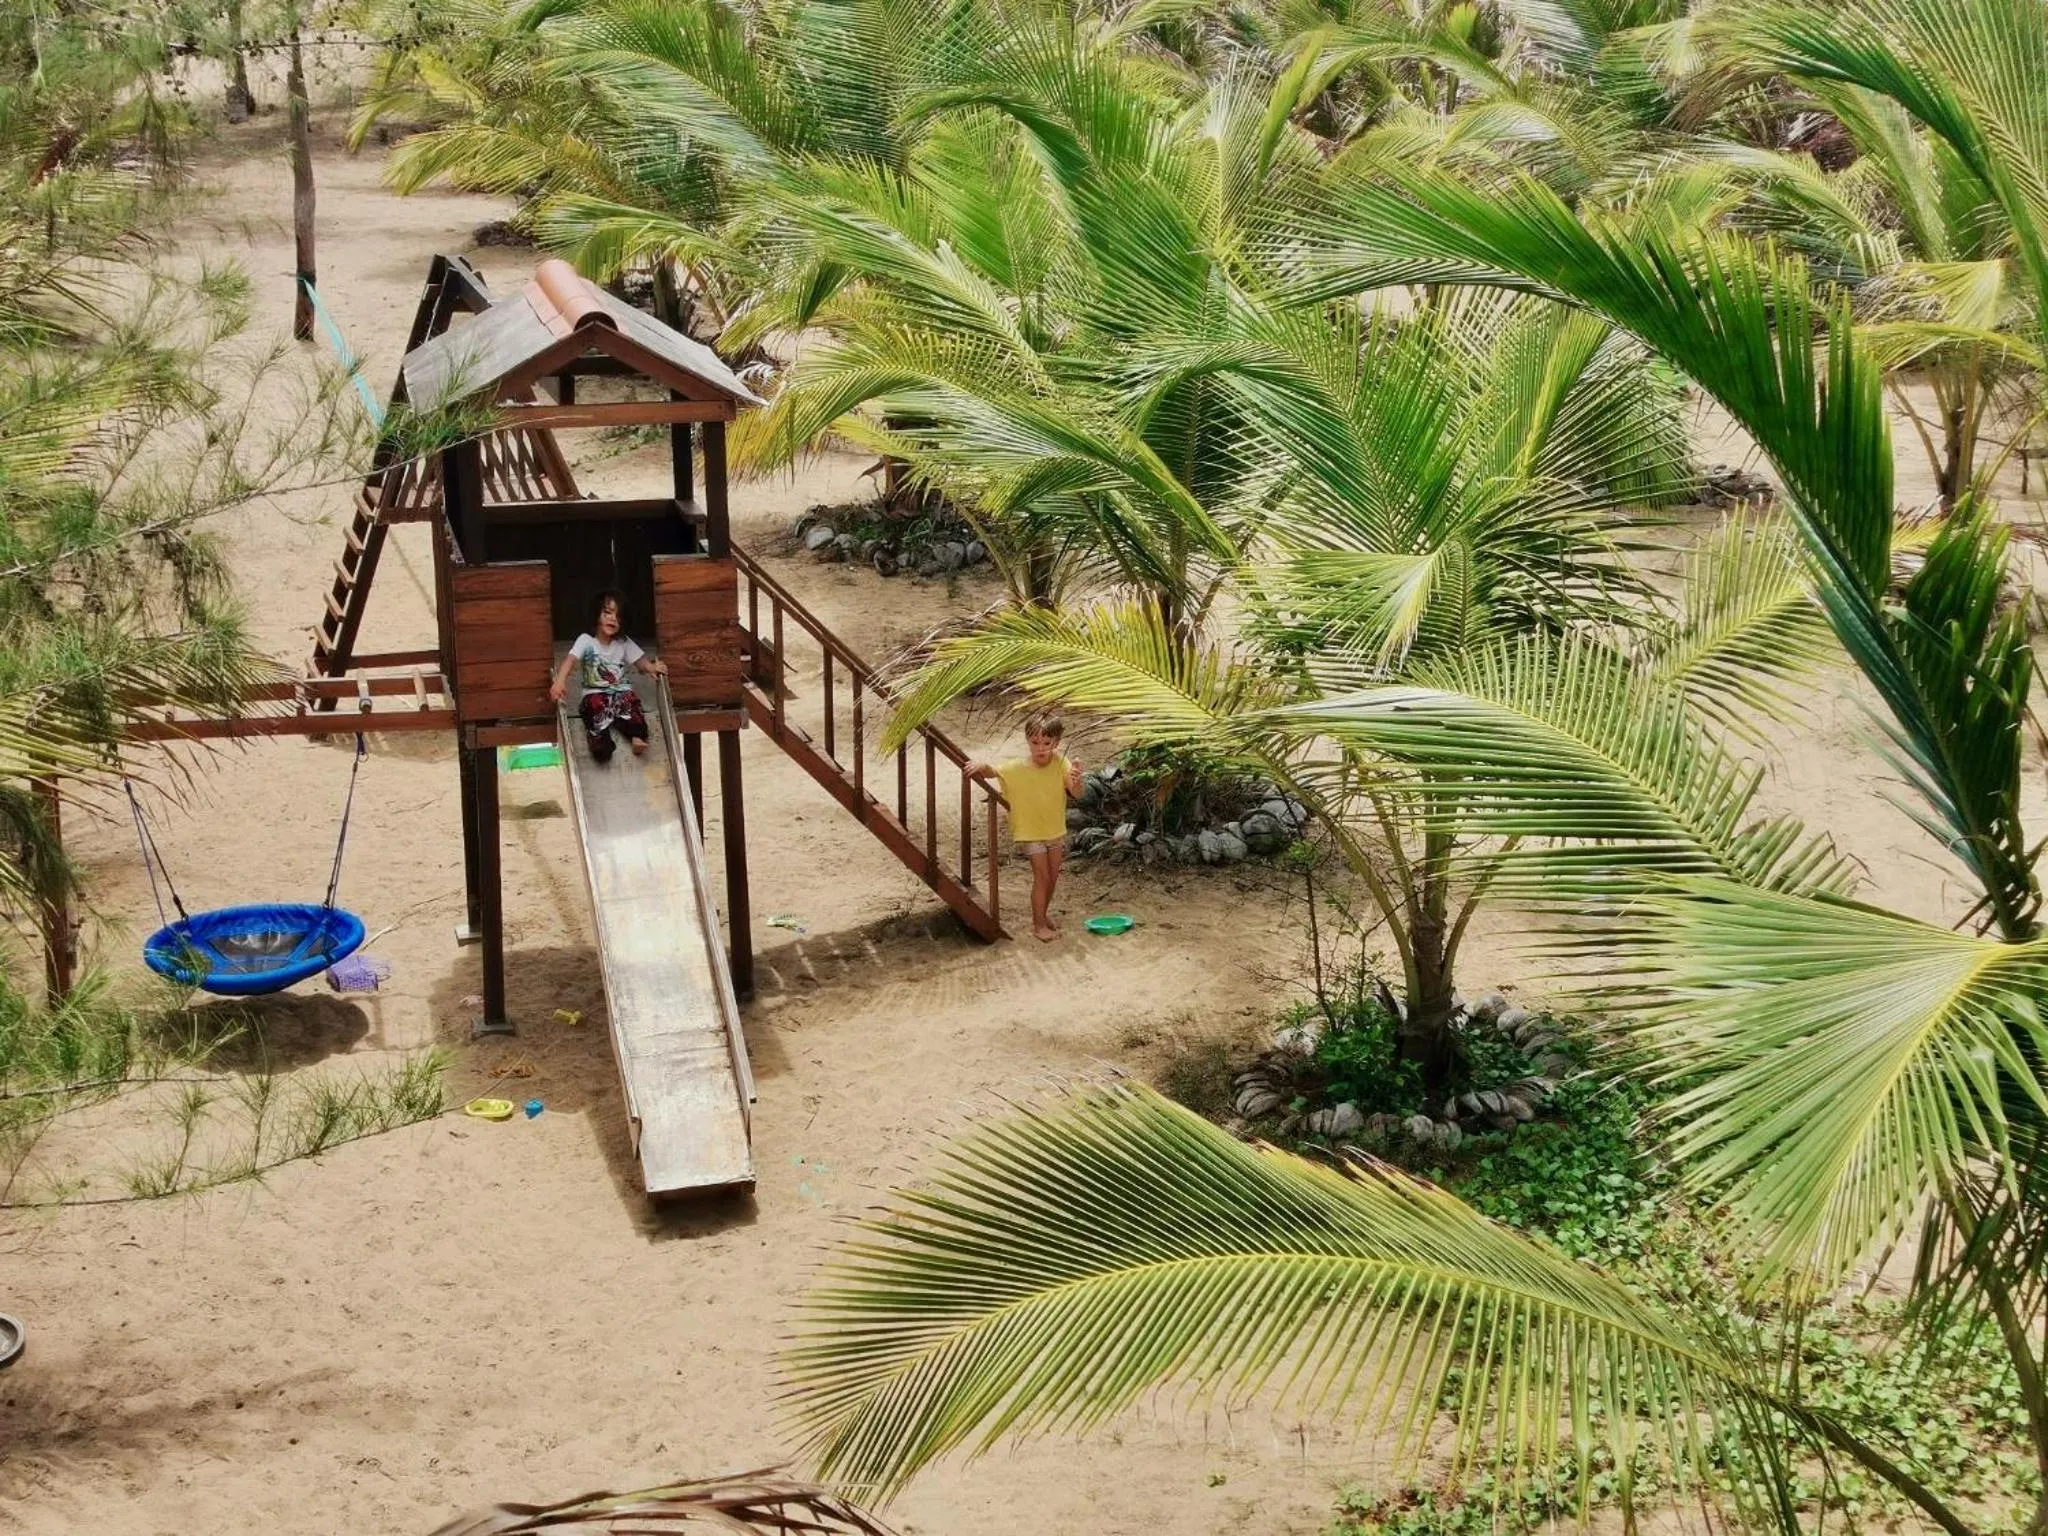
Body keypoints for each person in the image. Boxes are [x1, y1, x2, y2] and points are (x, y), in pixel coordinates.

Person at [965, 714, 1084, 942]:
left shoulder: (1061, 763)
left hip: (1055, 830)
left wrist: (1077, 780)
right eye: (1035, 742)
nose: (1040, 748)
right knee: (1042, 877)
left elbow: (1077, 793)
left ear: (1056, 743)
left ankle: (1042, 915)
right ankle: (1038, 924)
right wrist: (981, 766)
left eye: (1047, 743)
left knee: (1052, 877)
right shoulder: (1017, 767)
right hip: (1030, 833)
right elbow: (995, 771)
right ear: (1027, 741)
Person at [549, 590, 668, 764]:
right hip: (594, 694)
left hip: (620, 692)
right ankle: (601, 745)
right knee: (595, 710)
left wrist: (651, 667)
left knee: (632, 703)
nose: (613, 619)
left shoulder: (623, 642)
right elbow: (570, 661)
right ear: (597, 614)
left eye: (618, 616)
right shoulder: (586, 641)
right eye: (608, 612)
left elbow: (640, 661)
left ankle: (637, 736)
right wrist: (559, 682)